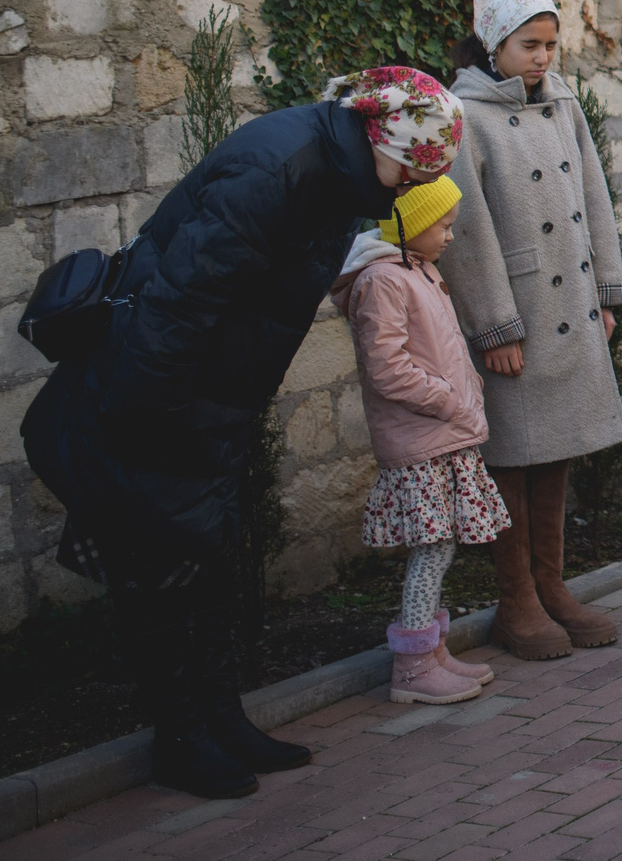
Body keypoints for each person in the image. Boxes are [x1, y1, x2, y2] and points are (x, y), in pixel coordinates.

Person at [24, 67, 464, 798]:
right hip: (154, 403)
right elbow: (180, 301)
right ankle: (182, 737)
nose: (408, 187)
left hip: (207, 404)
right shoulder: (278, 170)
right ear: (383, 138)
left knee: (210, 560)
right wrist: (160, 423)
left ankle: (222, 718)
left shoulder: (342, 175)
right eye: (414, 169)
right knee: (159, 569)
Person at [438, 0, 622, 660]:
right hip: (518, 307)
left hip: (569, 303)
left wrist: (607, 290)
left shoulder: (563, 101)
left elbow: (594, 194)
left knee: (559, 443)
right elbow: (466, 228)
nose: (542, 57)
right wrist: (494, 326)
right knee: (514, 453)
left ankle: (552, 585)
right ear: (494, 44)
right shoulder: (465, 113)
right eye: (529, 45)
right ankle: (515, 597)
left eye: (550, 44)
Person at [330, 175, 510, 706]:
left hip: (442, 434)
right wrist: (450, 399)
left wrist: (465, 394)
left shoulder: (419, 269)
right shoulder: (383, 281)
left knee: (442, 543)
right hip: (422, 437)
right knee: (431, 548)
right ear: (407, 222)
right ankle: (411, 669)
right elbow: (387, 368)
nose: (450, 237)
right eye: (443, 225)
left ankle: (431, 651)